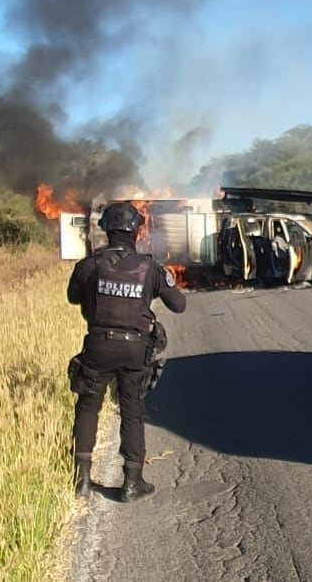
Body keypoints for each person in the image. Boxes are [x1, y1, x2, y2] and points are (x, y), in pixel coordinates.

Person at [66, 201, 187, 501]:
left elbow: (72, 297)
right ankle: (132, 483)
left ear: (105, 229)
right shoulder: (150, 268)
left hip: (98, 345)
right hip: (135, 349)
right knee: (132, 412)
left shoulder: (90, 265)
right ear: (137, 230)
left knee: (87, 407)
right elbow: (179, 304)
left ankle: (82, 479)